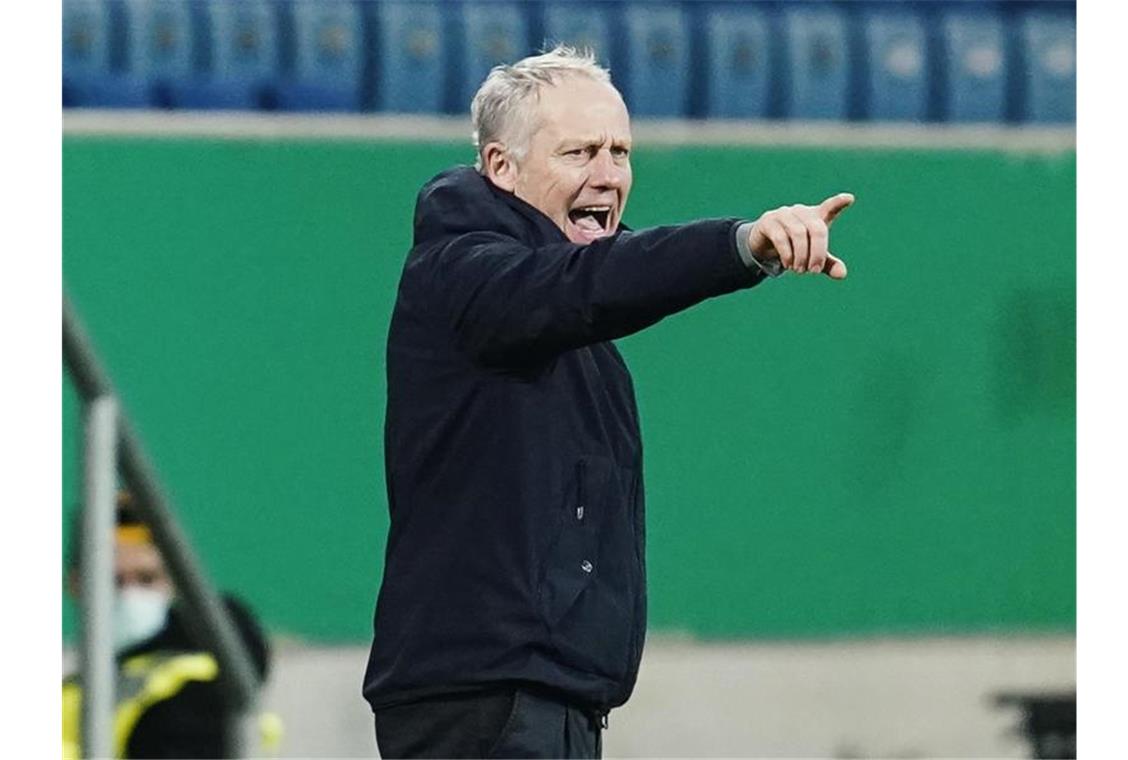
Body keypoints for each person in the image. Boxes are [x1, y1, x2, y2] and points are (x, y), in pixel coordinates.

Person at [363, 45, 854, 758]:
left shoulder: (581, 330)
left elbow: (603, 281)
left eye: (620, 151)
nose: (608, 175)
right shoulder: (461, 272)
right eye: (579, 152)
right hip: (482, 706)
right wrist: (741, 245)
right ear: (502, 168)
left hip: (546, 702)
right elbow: (588, 284)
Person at [63, 490, 279, 759]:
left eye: (146, 579)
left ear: (172, 583)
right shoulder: (78, 687)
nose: (129, 596)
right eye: (113, 581)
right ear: (75, 585)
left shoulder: (197, 686)